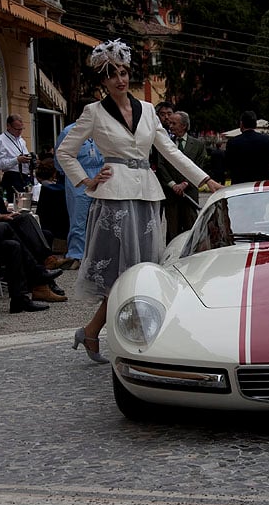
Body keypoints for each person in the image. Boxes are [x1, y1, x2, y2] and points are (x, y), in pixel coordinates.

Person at [57, 39, 223, 364]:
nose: (119, 79)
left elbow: (169, 151)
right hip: (113, 199)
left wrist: (205, 179)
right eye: (112, 74)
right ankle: (112, 335)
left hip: (146, 196)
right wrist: (86, 180)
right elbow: (65, 151)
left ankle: (100, 332)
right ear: (102, 81)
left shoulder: (148, 110)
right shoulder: (93, 112)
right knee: (122, 275)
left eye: (123, 72)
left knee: (144, 272)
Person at [0, 159, 70, 301]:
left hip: (0, 231)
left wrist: (5, 214)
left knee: (37, 228)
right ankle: (44, 270)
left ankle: (44, 278)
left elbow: (1, 211)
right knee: (18, 224)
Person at [54, 100, 104, 271]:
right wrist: (75, 175)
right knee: (78, 219)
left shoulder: (102, 131)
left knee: (100, 218)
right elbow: (60, 161)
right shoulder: (69, 132)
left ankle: (97, 255)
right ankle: (76, 254)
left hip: (100, 177)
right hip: (78, 179)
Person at [157, 110, 208, 242]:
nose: (170, 126)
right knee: (172, 231)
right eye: (170, 123)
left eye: (174, 123)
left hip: (189, 194)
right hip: (171, 195)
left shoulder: (198, 145)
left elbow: (199, 167)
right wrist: (173, 185)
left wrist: (185, 184)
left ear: (184, 126)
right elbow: (161, 165)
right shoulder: (165, 143)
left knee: (190, 230)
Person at [225, 111, 269, 184]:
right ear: (255, 124)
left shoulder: (232, 142)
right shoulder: (266, 140)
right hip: (261, 183)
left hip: (240, 183)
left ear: (241, 124)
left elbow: (228, 164)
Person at [0, 114, 34, 200]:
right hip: (12, 177)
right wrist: (17, 160)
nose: (20, 132)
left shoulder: (21, 140)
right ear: (8, 126)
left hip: (25, 177)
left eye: (21, 129)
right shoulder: (0, 141)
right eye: (17, 129)